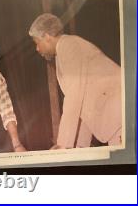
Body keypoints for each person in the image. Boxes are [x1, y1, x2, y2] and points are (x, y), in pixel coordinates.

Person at [29, 13, 122, 149]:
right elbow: (84, 103)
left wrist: (63, 145)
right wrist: (80, 146)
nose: (37, 49)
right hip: (117, 117)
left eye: (37, 43)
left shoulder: (68, 46)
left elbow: (74, 97)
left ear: (47, 37)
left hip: (121, 114)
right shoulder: (65, 49)